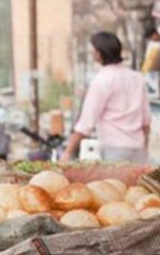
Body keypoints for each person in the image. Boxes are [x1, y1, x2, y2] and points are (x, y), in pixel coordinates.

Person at [61, 32, 151, 163]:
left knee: (116, 184)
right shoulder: (136, 78)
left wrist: (67, 152)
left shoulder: (101, 80)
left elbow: (87, 121)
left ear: (99, 54)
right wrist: (145, 145)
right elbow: (146, 119)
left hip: (114, 149)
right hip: (138, 148)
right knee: (138, 183)